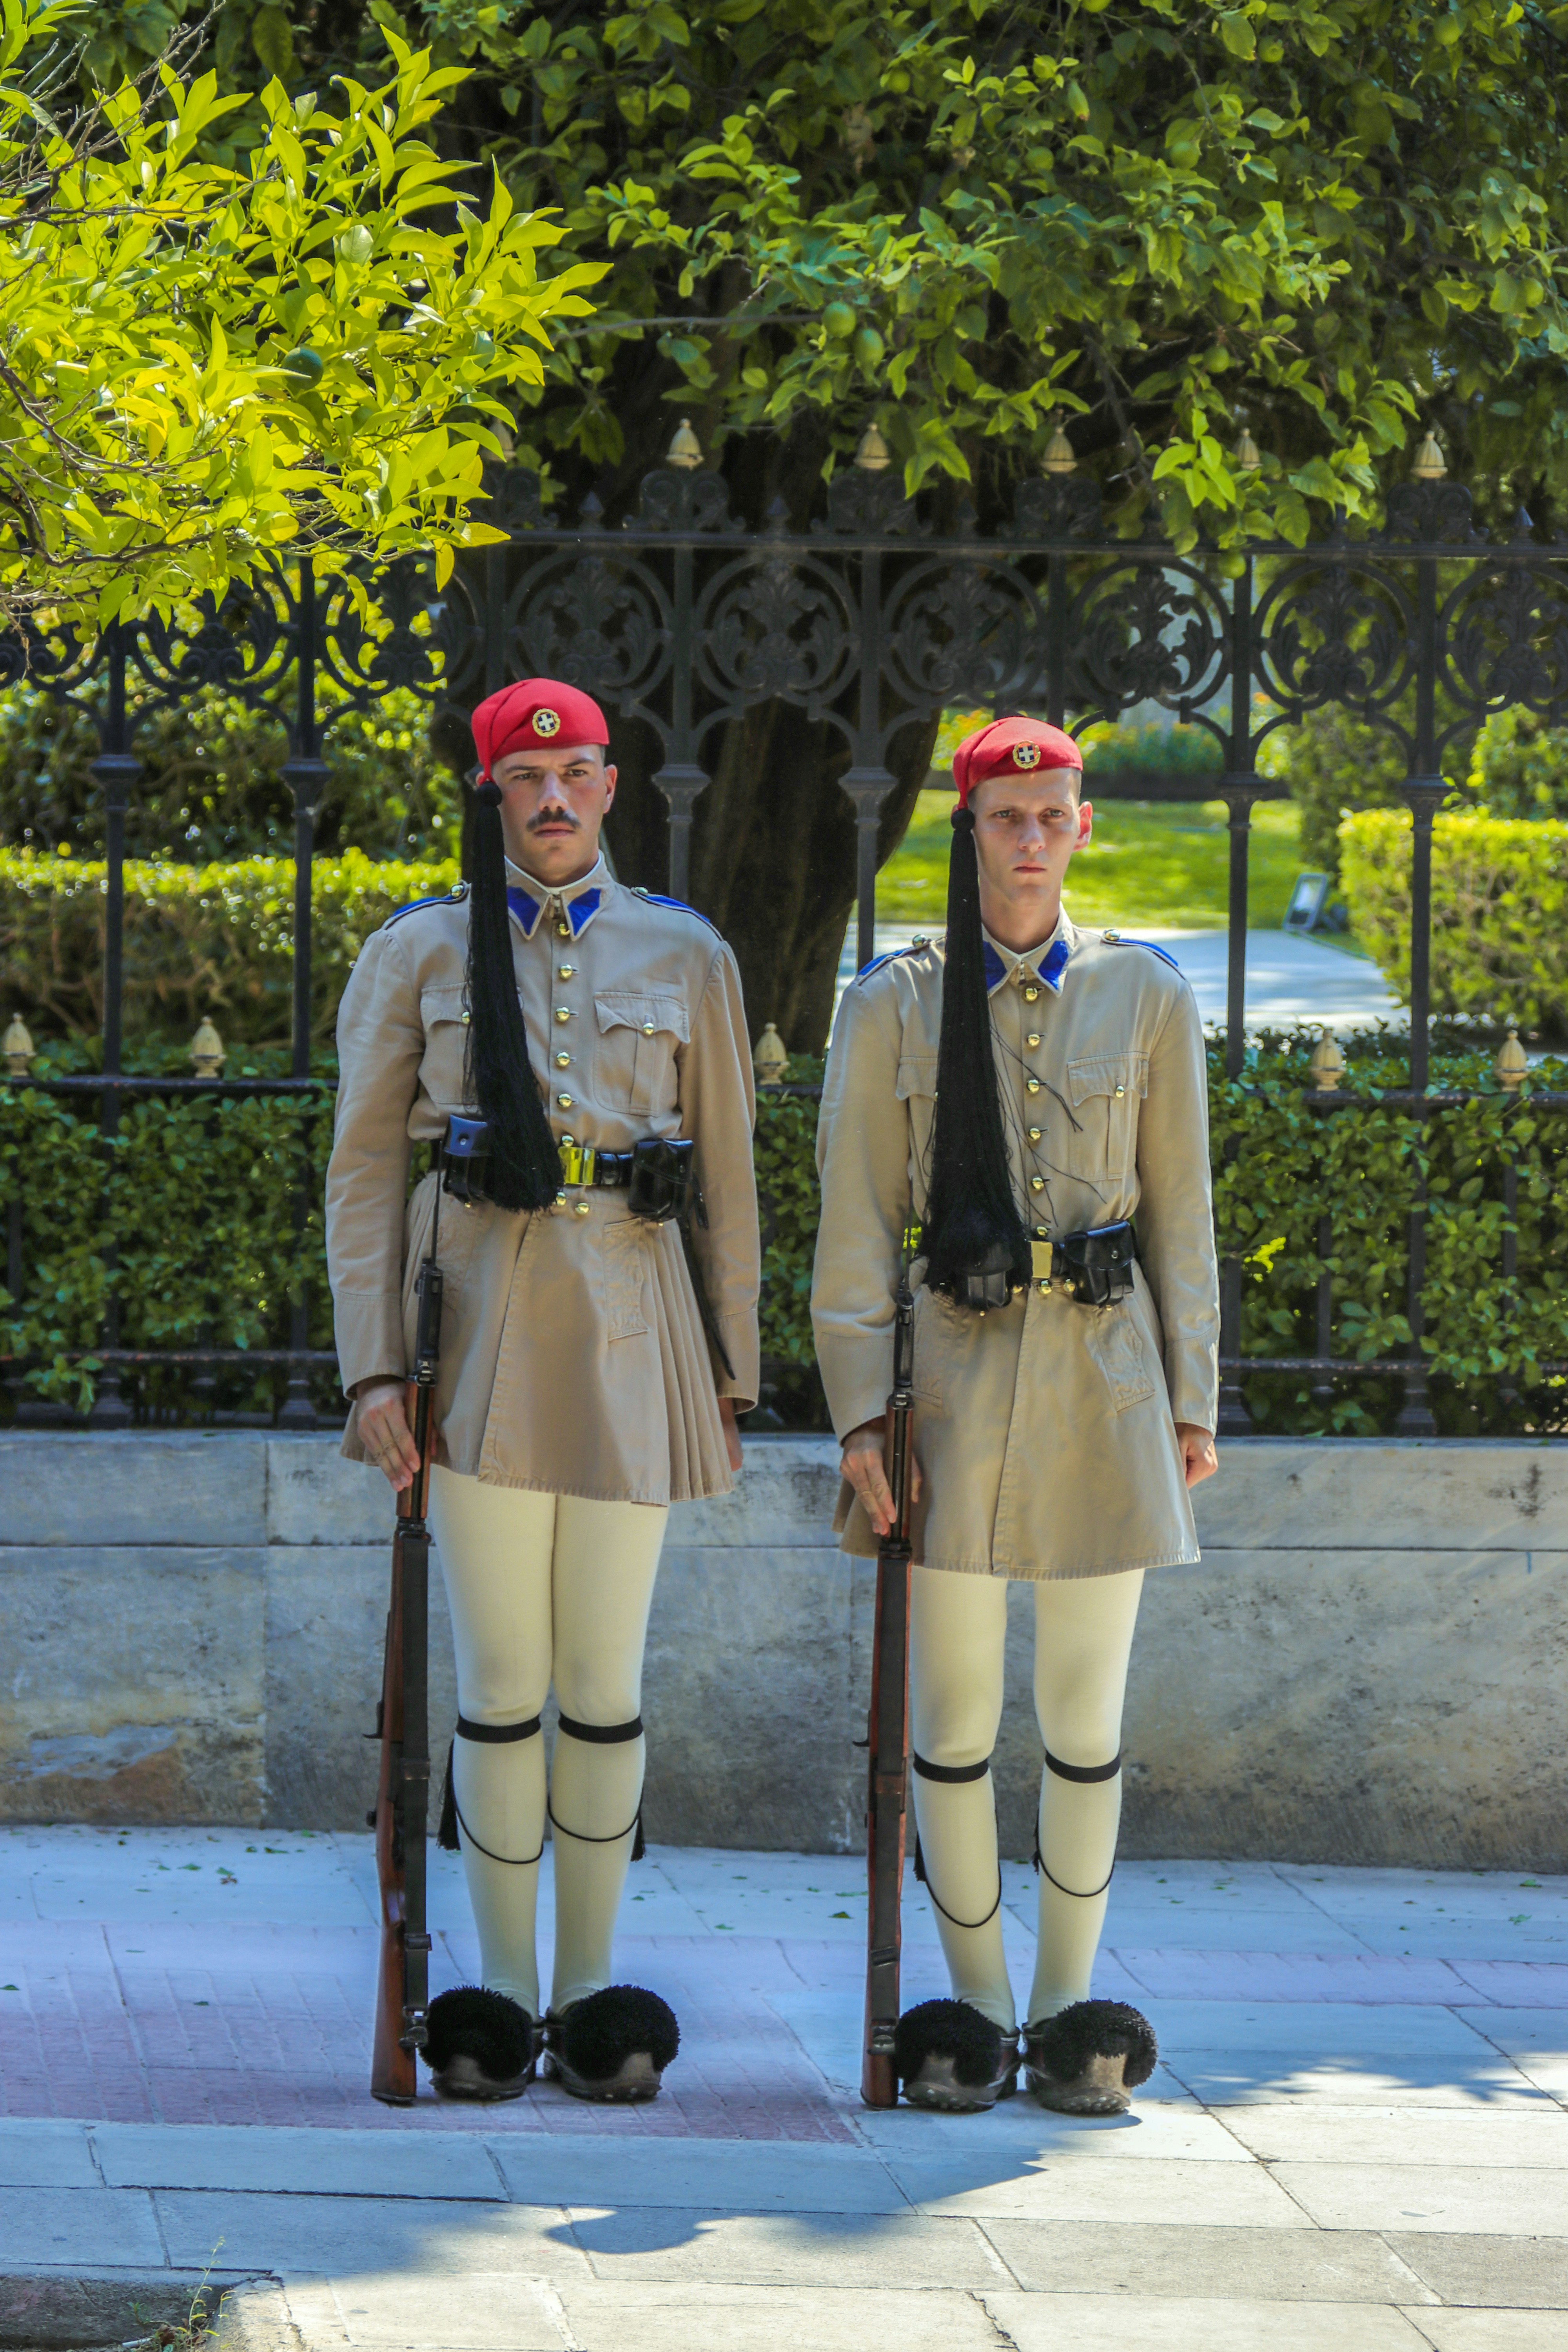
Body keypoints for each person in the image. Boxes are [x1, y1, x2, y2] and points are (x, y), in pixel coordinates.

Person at [326, 679, 760, 2103]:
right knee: (502, 1685)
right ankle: (499, 1993)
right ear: (492, 795)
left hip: (639, 1342)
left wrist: (733, 1369)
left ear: (613, 785)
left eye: (577, 774)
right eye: (528, 780)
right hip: (481, 1341)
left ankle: (590, 1992)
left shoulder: (683, 953)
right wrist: (375, 1368)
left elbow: (728, 1186)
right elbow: (368, 1179)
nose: (555, 800)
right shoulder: (420, 953)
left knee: (606, 1686)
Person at [811, 715, 1219, 2115]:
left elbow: (1183, 1215)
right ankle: (973, 2003)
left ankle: (1068, 2006)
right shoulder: (895, 1003)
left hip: (1107, 1382)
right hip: (957, 1387)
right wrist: (862, 1419)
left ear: (1083, 827)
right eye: (1004, 817)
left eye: (1053, 816)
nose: (1031, 839)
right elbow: (858, 1226)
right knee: (956, 1718)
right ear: (968, 831)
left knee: (1086, 1717)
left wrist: (1196, 1395)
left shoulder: (1148, 996)